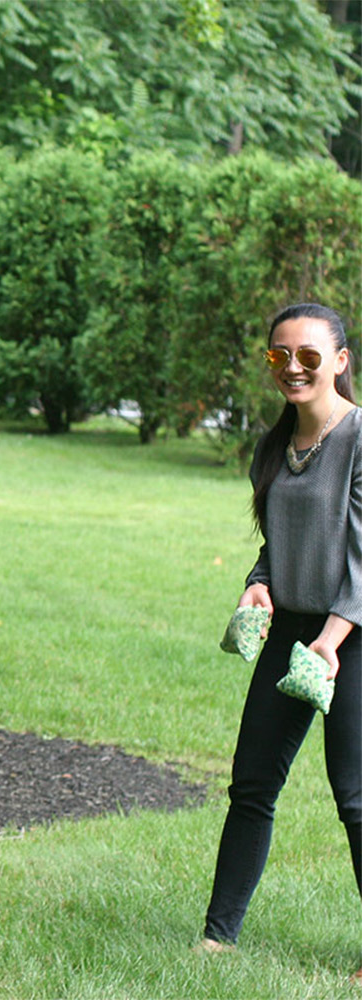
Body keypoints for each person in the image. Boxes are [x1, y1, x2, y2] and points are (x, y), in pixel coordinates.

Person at [200, 303, 362, 971]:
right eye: (278, 356)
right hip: (290, 630)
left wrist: (333, 635)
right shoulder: (275, 445)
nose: (292, 367)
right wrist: (259, 581)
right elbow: (278, 541)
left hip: (351, 636)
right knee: (252, 785)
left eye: (308, 355)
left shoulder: (359, 439)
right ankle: (216, 937)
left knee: (354, 795)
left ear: (341, 361)